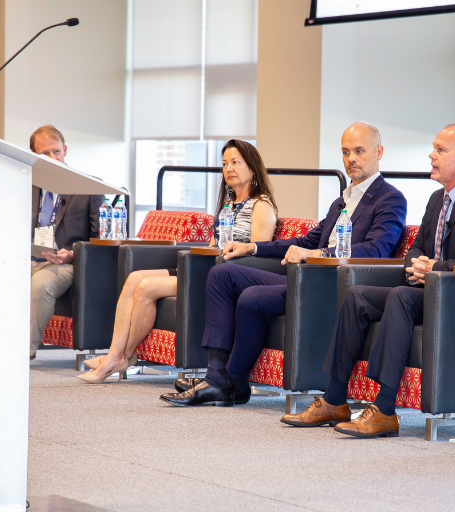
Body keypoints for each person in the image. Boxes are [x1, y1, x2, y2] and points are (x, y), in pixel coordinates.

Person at [280, 123, 455, 437]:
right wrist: (417, 265)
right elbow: (417, 246)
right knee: (357, 295)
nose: (431, 155)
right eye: (433, 148)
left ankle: (385, 409)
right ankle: (334, 399)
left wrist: (436, 267)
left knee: (400, 297)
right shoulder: (437, 199)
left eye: (441, 150)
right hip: (430, 290)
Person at [160, 122, 408, 407]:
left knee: (252, 297)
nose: (351, 158)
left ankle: (232, 382)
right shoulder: (342, 200)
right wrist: (253, 246)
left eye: (359, 151)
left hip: (332, 287)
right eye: (345, 151)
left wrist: (321, 255)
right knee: (222, 272)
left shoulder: (391, 199)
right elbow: (308, 238)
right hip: (304, 279)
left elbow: (377, 249)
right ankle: (218, 375)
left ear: (379, 152)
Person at [77, 139, 279, 384]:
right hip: (205, 268)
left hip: (225, 277)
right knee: (134, 278)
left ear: (253, 168)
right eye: (225, 163)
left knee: (146, 286)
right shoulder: (229, 204)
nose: (229, 169)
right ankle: (115, 353)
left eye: (236, 163)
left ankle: (121, 356)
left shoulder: (261, 205)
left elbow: (256, 252)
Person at [0, 125, 104, 367]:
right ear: (32, 155)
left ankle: (22, 351)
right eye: (44, 155)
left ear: (66, 150)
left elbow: (99, 240)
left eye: (57, 152)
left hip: (64, 263)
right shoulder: (21, 185)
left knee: (41, 285)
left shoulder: (89, 188)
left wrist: (72, 255)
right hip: (22, 257)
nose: (53, 159)